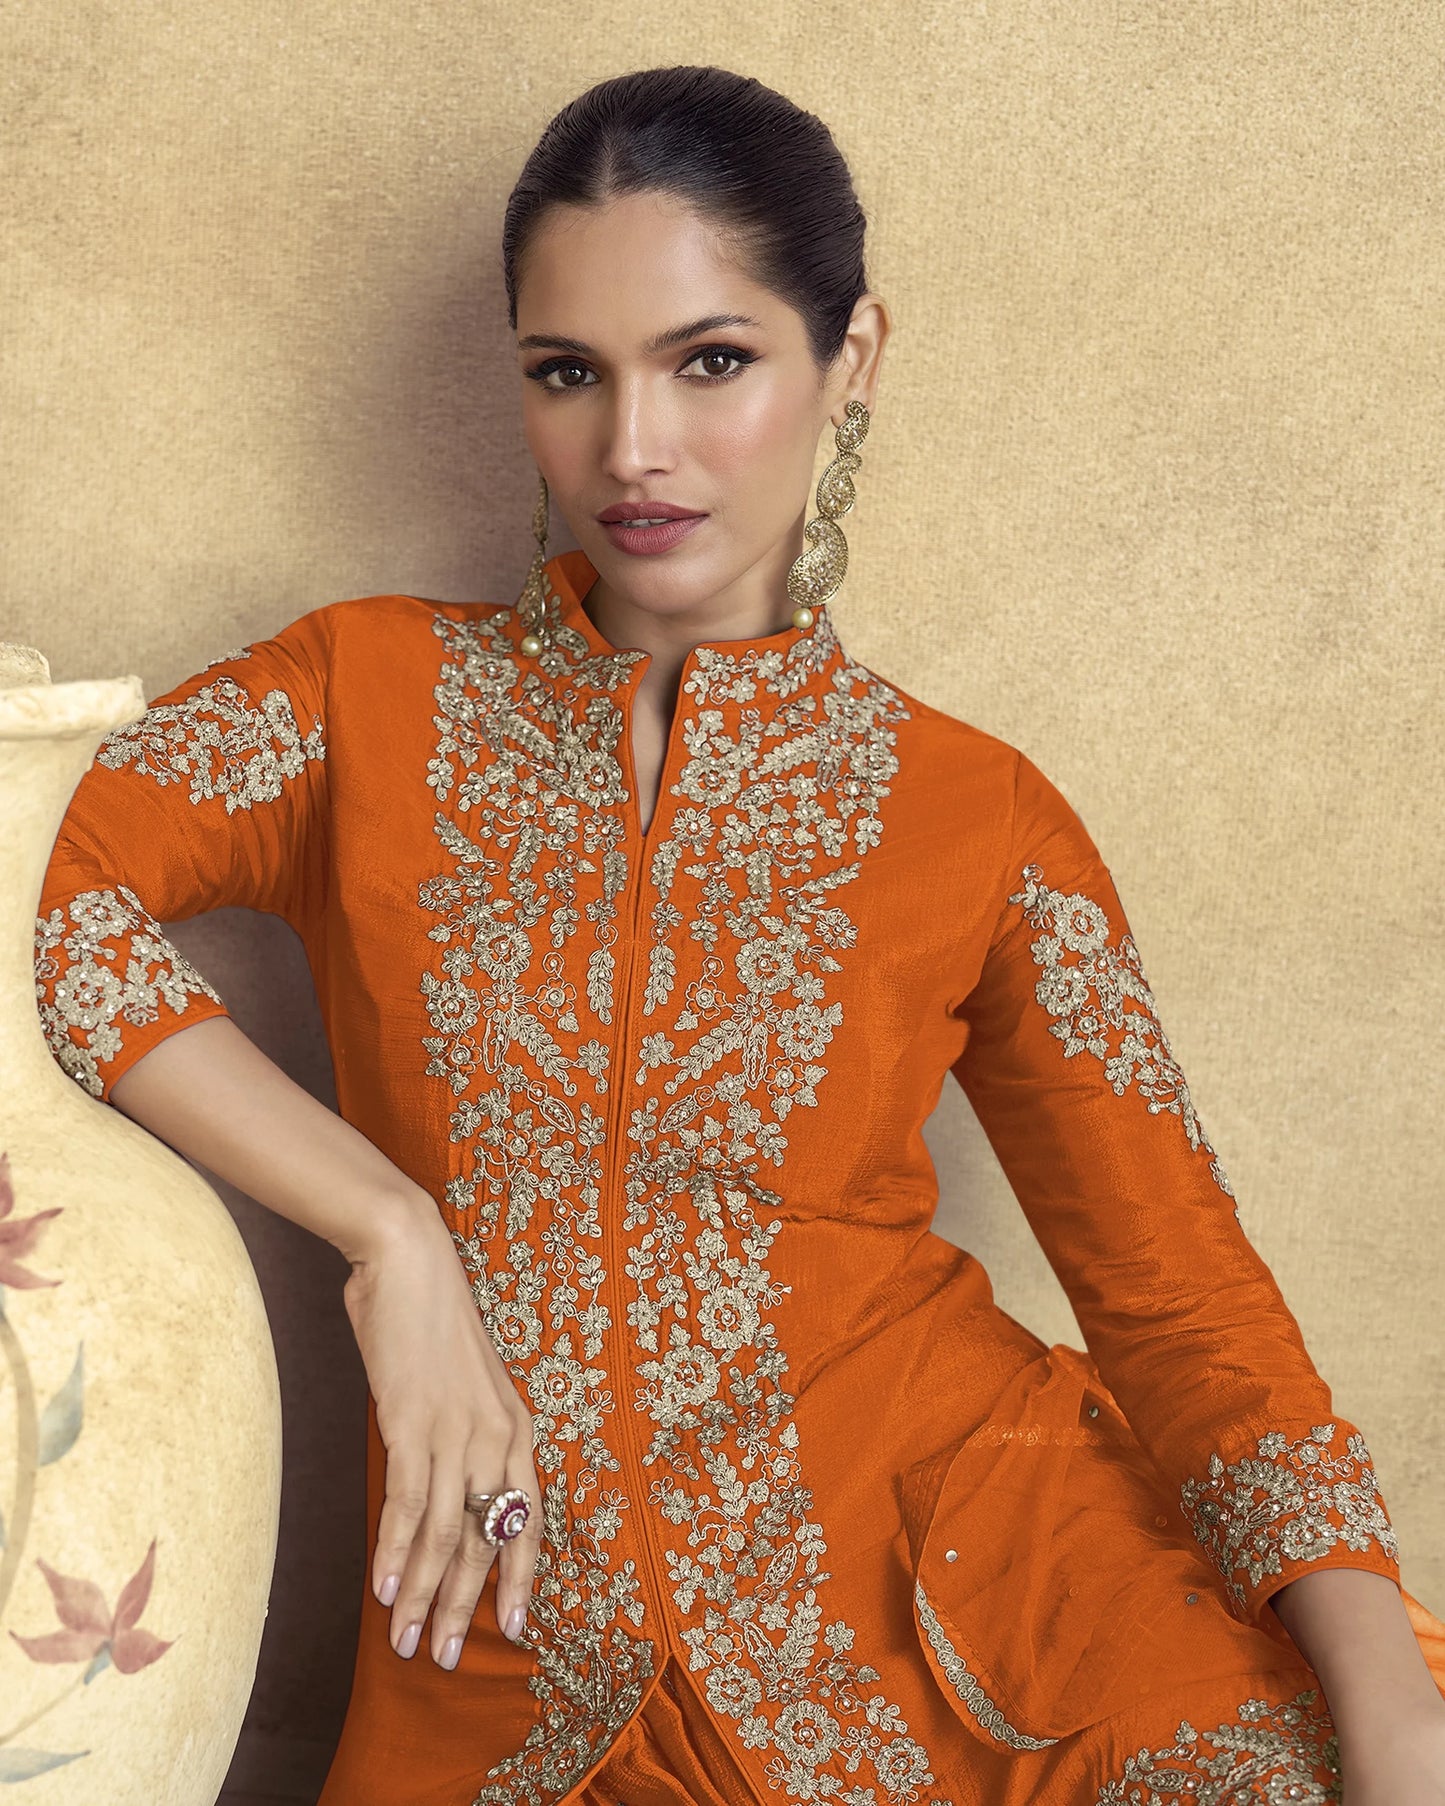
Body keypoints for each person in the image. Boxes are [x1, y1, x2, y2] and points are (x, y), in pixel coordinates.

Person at [33, 62, 1445, 1806]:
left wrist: (1393, 1715)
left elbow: (1181, 1299)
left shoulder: (973, 812)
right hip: (503, 1653)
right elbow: (51, 882)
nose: (633, 449)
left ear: (848, 358)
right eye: (570, 372)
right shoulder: (360, 697)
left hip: (964, 1590)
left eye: (712, 361)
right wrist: (389, 1228)